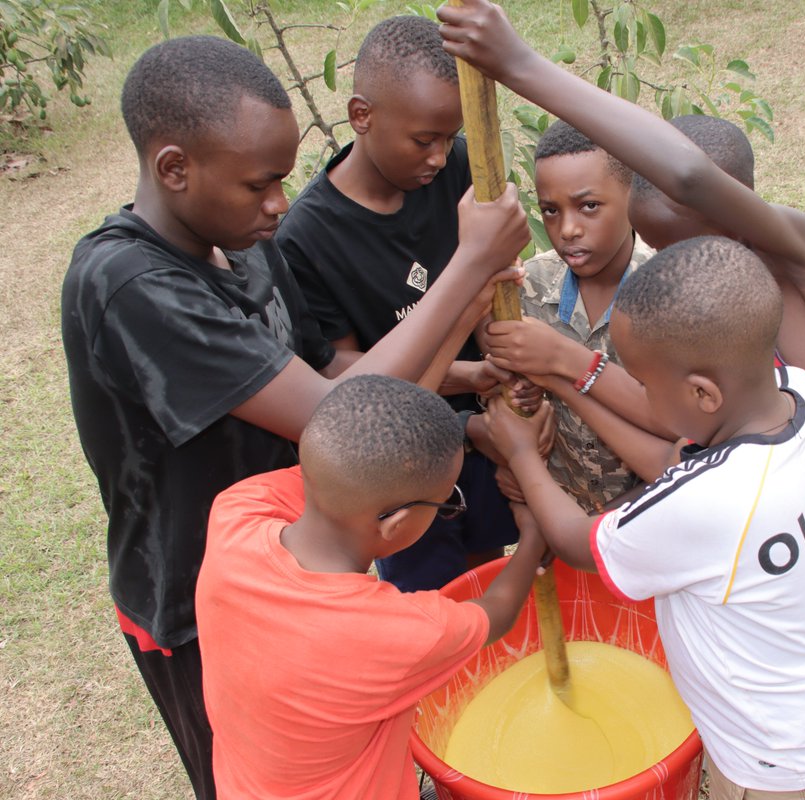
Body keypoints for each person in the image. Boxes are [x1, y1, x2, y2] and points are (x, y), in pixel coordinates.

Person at [438, 5, 805, 797]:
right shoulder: (782, 392)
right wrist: (566, 374)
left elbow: (688, 179)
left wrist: (518, 65)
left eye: (679, 242)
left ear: (729, 212)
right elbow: (671, 429)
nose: (670, 268)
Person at [60, 35, 527, 798]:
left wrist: (469, 335)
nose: (281, 202)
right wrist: (469, 268)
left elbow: (348, 390)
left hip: (303, 555)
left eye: (281, 178)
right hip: (208, 602)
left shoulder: (242, 241)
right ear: (174, 168)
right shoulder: (128, 284)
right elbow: (336, 414)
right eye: (259, 184)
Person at [479, 236, 805, 800]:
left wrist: (525, 457)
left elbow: (580, 543)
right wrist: (561, 380)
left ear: (702, 393)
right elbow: (674, 460)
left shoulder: (709, 505)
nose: (641, 393)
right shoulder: (804, 396)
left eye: (646, 383)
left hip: (787, 769)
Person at [195, 375, 546, 800]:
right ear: (396, 524)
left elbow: (361, 455)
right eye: (447, 500)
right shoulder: (387, 631)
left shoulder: (238, 511)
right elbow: (500, 611)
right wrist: (533, 533)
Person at [277, 15, 529, 592]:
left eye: (449, 138)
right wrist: (468, 370)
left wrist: (495, 360)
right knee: (429, 589)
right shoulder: (306, 239)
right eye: (424, 140)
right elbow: (343, 373)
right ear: (362, 115)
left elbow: (494, 288)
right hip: (398, 467)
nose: (440, 157)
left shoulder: (461, 167)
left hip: (486, 429)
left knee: (491, 561)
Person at [486, 119, 654, 511]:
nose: (568, 230)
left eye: (589, 206)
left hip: (655, 517)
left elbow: (681, 424)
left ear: (632, 195)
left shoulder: (667, 290)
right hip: (566, 513)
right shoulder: (529, 287)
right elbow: (511, 396)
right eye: (550, 211)